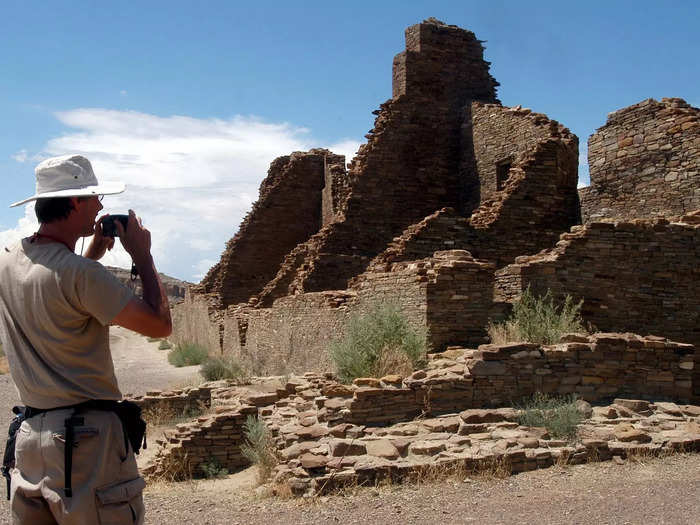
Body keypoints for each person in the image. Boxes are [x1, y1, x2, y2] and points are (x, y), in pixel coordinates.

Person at [0, 154, 172, 524]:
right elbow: (159, 325)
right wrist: (142, 255)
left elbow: (58, 289)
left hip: (30, 438)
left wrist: (92, 252)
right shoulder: (81, 276)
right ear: (75, 201)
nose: (100, 206)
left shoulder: (8, 259)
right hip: (87, 443)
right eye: (95, 197)